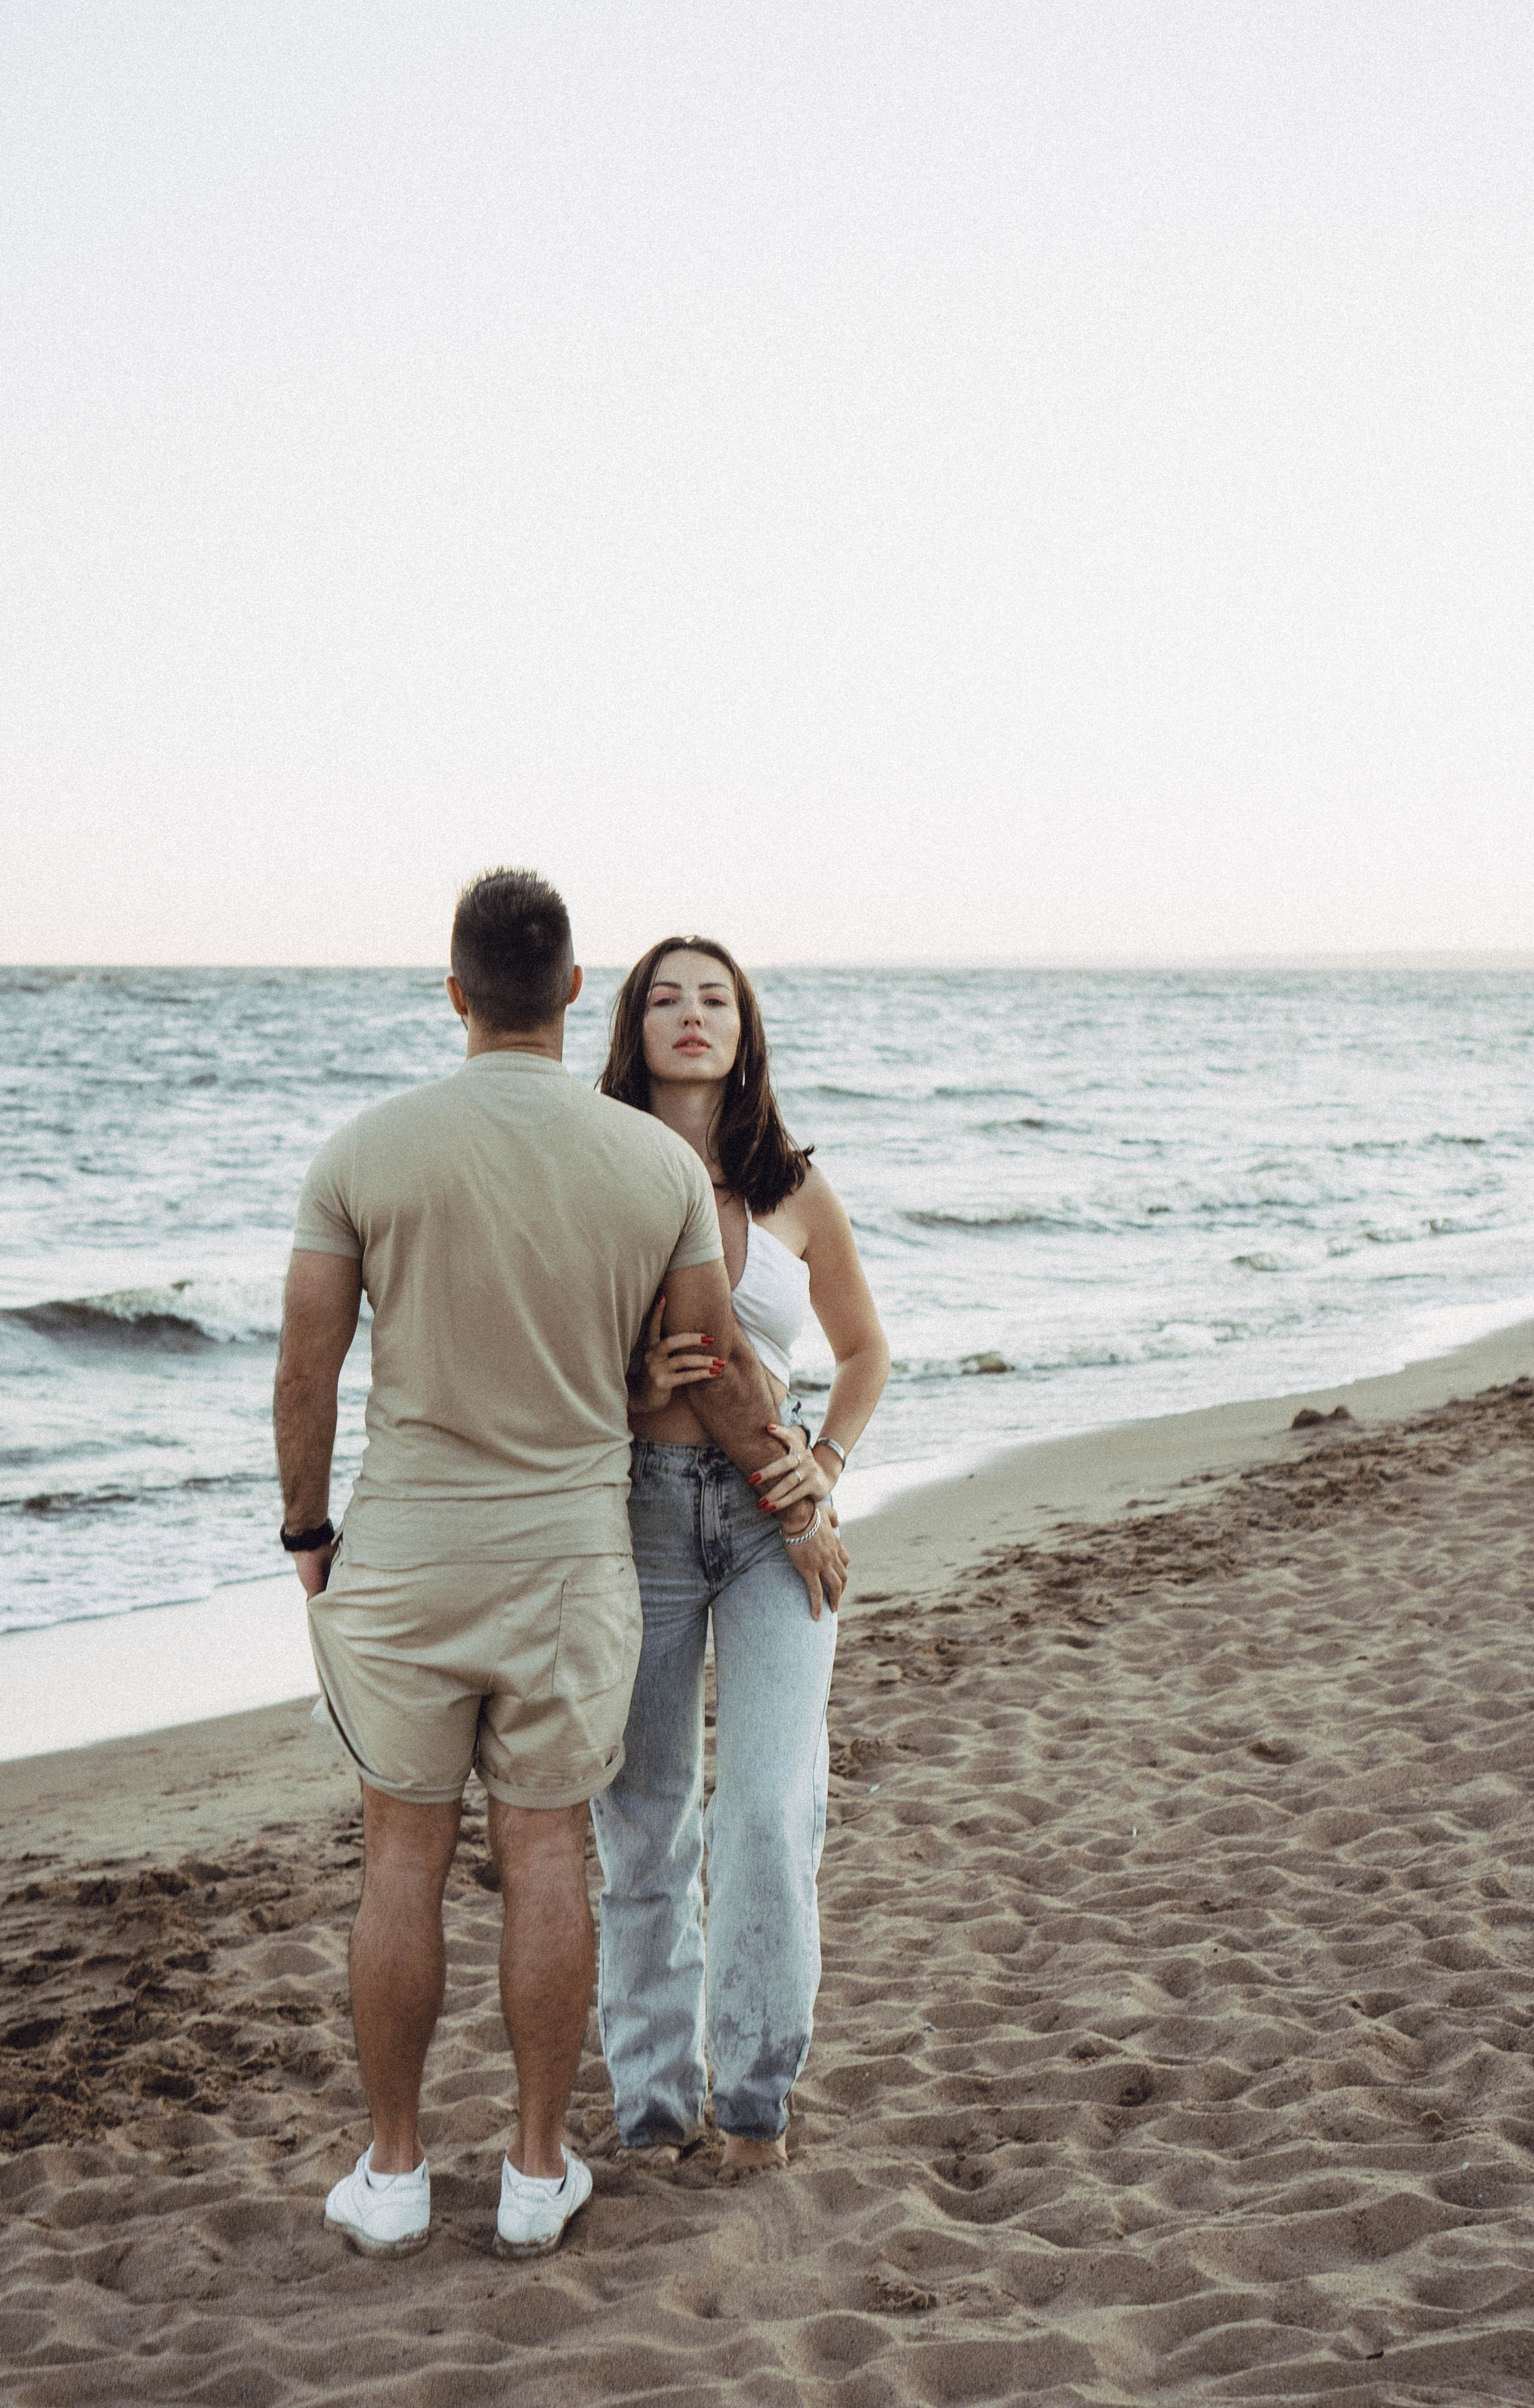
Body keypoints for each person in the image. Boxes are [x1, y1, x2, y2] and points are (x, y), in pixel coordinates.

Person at [273, 872, 847, 2261]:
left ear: (455, 990)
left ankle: (397, 2173)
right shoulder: (647, 1165)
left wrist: (308, 1538)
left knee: (400, 1858)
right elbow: (712, 1371)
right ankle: (537, 2175)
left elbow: (305, 1372)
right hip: (574, 1557)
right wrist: (800, 1490)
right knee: (548, 1851)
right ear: (578, 993)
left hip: (407, 1560)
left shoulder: (363, 1150)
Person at [591, 937, 889, 2181]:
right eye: (665, 997)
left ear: (744, 1027)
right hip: (639, 1517)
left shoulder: (792, 1187)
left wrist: (820, 1467)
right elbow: (540, 1356)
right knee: (645, 1823)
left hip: (774, 1523)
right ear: (634, 1028)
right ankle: (655, 2115)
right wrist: (625, 1380)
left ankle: (756, 2104)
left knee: (766, 1812)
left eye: (713, 997)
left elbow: (865, 1351)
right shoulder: (592, 1175)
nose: (690, 1015)